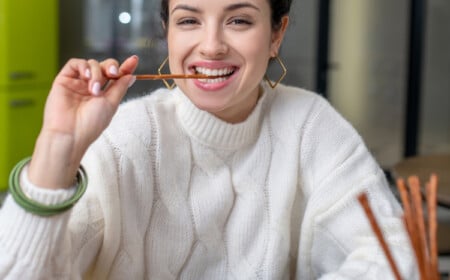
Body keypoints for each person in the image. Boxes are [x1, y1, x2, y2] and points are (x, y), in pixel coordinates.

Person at [0, 0, 417, 279]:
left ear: (276, 35)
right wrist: (58, 145)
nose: (212, 46)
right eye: (188, 20)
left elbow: (395, 259)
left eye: (239, 20)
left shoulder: (312, 127)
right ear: (168, 32)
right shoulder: (126, 136)